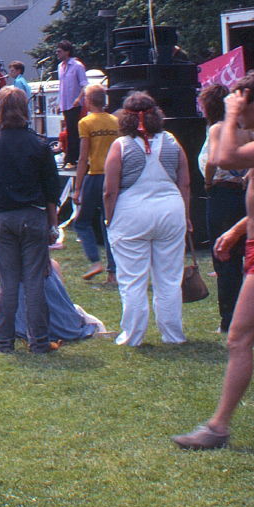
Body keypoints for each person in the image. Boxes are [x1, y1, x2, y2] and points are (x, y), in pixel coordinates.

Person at [175, 70, 254, 449]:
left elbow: (224, 158)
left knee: (238, 337)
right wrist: (237, 231)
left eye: (240, 98)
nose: (234, 104)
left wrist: (228, 117)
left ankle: (217, 428)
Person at [0, 87, 61, 354]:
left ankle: (3, 342)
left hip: (2, 217)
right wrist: (52, 224)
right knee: (34, 282)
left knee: (7, 282)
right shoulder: (40, 145)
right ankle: (39, 342)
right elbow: (51, 190)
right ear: (25, 109)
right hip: (33, 216)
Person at [103, 91, 190, 347]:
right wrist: (186, 215)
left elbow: (110, 190)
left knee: (132, 279)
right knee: (170, 278)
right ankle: (173, 335)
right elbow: (185, 183)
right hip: (170, 211)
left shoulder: (120, 146)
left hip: (131, 213)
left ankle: (132, 336)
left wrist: (110, 219)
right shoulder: (173, 141)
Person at [198, 83, 249, 333]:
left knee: (224, 257)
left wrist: (208, 182)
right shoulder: (244, 130)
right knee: (241, 256)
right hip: (241, 194)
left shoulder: (218, 129)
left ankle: (229, 319)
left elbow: (214, 160)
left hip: (220, 193)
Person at [71, 84, 119, 283]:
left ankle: (95, 261)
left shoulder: (85, 123)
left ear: (89, 101)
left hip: (95, 175)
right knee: (108, 222)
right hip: (113, 177)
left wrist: (77, 187)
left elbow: (83, 158)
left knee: (81, 223)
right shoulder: (115, 121)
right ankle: (113, 272)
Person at [56, 40, 88, 166]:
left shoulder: (77, 66)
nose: (57, 54)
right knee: (69, 130)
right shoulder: (60, 67)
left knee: (74, 132)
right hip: (65, 104)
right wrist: (59, 103)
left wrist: (78, 99)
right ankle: (71, 157)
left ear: (67, 51)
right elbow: (62, 86)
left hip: (75, 105)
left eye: (60, 51)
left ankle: (72, 158)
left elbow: (84, 85)